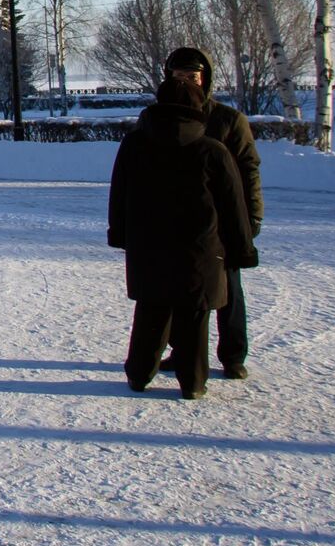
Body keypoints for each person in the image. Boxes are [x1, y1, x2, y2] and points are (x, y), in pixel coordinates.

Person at [108, 76, 257, 399]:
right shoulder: (212, 151)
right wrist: (242, 248)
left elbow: (119, 193)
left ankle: (139, 373)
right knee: (194, 314)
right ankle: (193, 382)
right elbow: (233, 207)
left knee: (151, 309)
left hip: (148, 247)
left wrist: (120, 234)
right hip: (200, 249)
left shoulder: (134, 145)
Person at [160, 46, 262, 380]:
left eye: (192, 77)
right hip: (180, 222)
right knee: (180, 291)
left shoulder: (229, 120)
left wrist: (251, 219)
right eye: (179, 77)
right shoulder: (162, 121)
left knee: (229, 290)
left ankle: (233, 356)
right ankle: (183, 350)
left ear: (205, 79)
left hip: (223, 222)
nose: (186, 83)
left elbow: (249, 171)